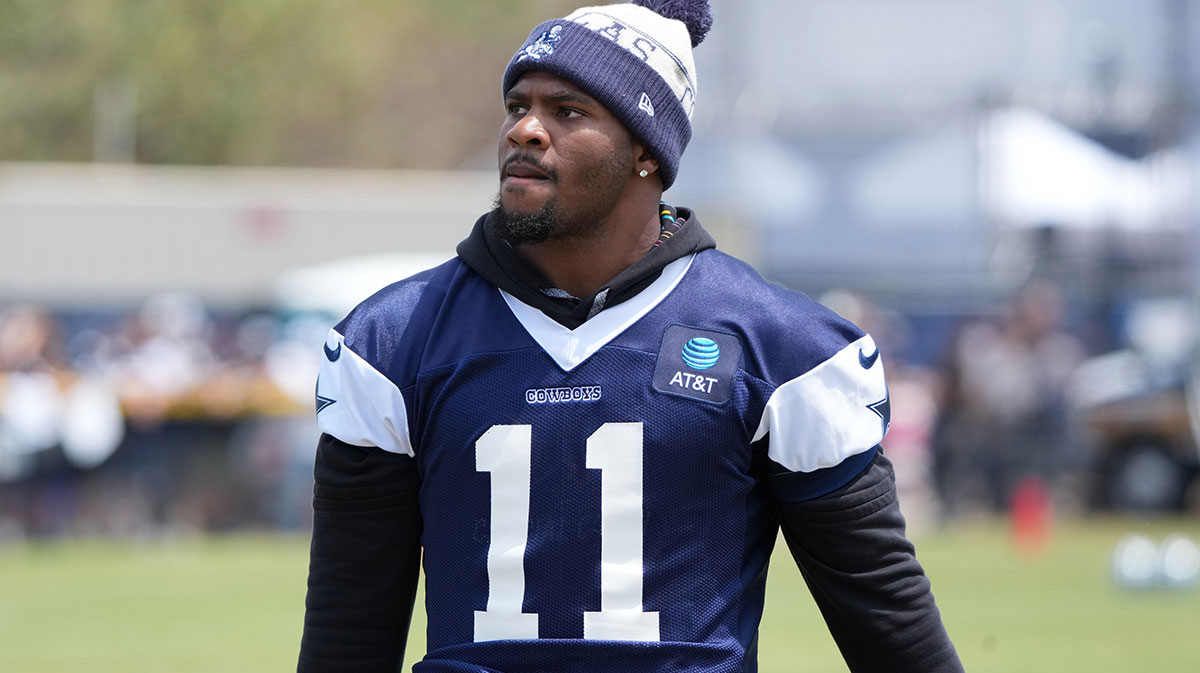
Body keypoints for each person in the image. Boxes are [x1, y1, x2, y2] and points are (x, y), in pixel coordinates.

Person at [298, 2, 962, 671]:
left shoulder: (779, 348)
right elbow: (347, 632)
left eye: (568, 111)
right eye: (517, 105)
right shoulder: (394, 341)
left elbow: (889, 624)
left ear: (645, 149)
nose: (525, 129)